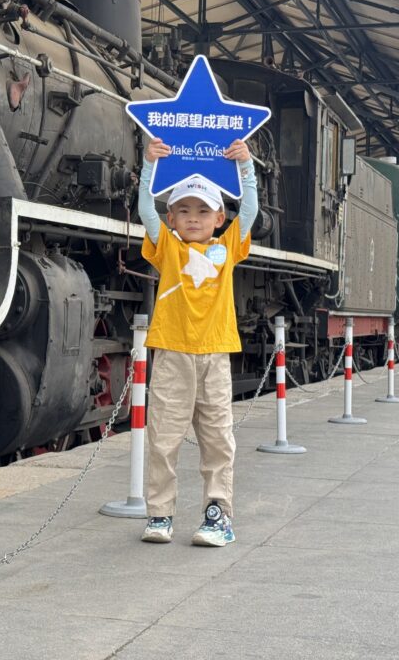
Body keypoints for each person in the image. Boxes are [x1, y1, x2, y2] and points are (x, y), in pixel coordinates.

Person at [137, 135, 257, 547]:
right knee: (163, 438)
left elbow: (253, 210)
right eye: (184, 210)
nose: (193, 217)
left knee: (218, 439)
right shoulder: (166, 247)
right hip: (173, 354)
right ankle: (160, 515)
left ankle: (218, 517)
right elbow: (144, 213)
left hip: (215, 356)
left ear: (219, 217)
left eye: (203, 210)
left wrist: (247, 166)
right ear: (171, 217)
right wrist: (148, 165)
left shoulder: (228, 248)